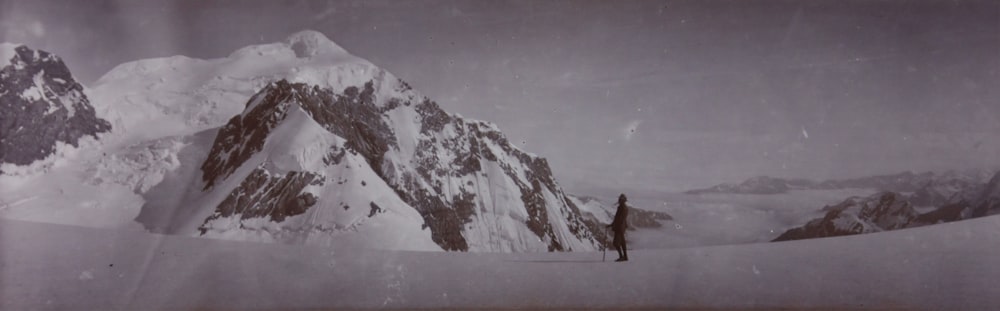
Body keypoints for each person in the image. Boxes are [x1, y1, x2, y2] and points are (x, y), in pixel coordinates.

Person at [606, 193, 629, 262]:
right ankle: (624, 257)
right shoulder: (623, 207)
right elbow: (618, 219)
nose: (619, 200)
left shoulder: (623, 208)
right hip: (621, 227)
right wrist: (611, 225)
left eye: (620, 199)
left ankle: (622, 256)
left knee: (616, 243)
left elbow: (620, 219)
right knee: (622, 242)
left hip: (620, 228)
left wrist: (613, 225)